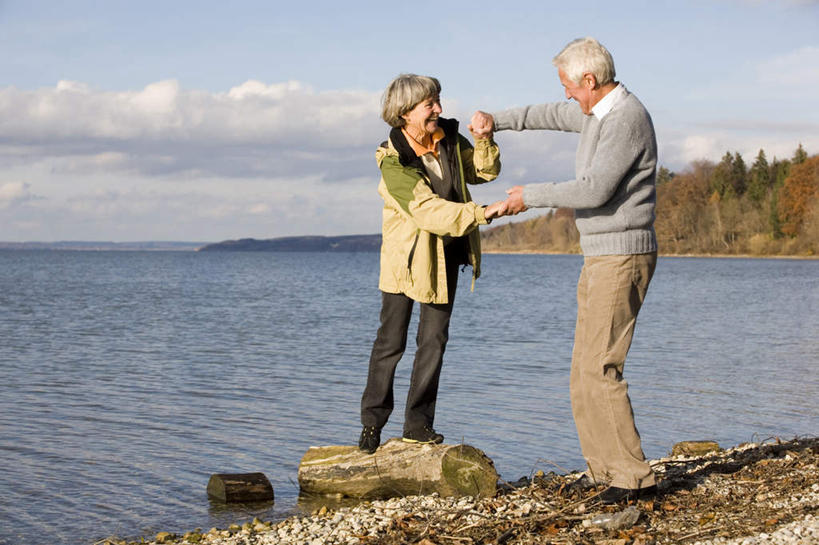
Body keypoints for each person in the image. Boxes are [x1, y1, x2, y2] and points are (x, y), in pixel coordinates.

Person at [471, 37, 659, 504]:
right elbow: (549, 116)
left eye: (568, 87)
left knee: (601, 367)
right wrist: (500, 121)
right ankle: (605, 473)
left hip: (621, 256)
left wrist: (526, 196)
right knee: (582, 371)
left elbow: (595, 190)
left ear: (589, 81)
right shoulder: (597, 112)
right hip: (599, 254)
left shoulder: (626, 119)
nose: (566, 97)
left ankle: (632, 480)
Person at [358, 74, 506, 454]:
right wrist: (483, 213)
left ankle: (418, 426)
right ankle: (372, 425)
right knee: (390, 344)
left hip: (447, 255)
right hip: (405, 263)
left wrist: (485, 138)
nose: (438, 109)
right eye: (430, 104)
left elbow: (484, 172)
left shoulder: (450, 139)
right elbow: (426, 210)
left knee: (434, 342)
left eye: (438, 101)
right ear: (405, 112)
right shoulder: (392, 162)